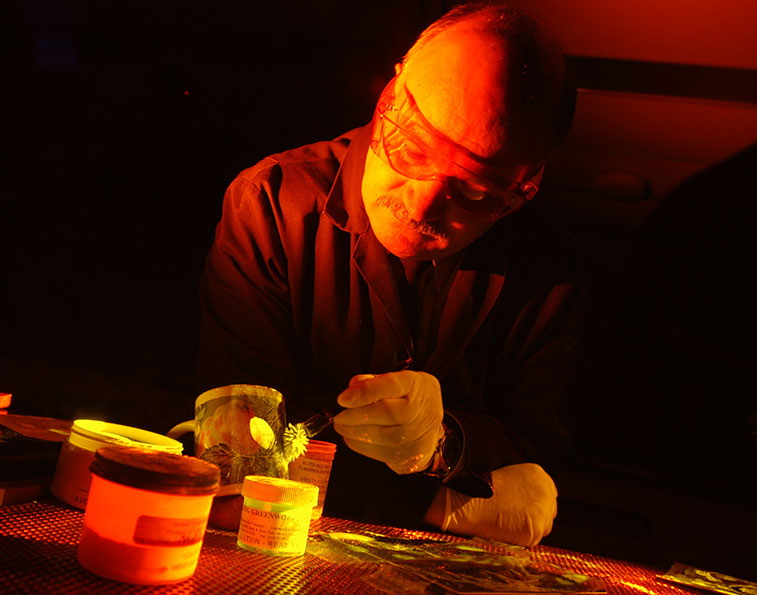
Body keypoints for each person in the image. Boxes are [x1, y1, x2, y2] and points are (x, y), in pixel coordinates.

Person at [198, 1, 580, 546]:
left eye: (474, 189)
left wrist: (444, 441)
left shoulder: (547, 270)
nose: (422, 204)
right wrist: (437, 494)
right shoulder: (273, 205)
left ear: (524, 189)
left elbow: (541, 452)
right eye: (413, 147)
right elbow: (239, 457)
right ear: (388, 97)